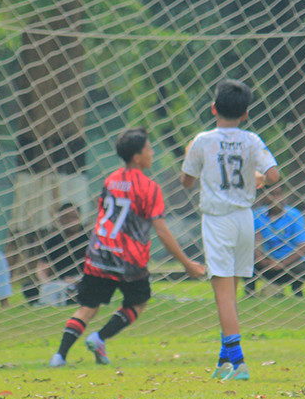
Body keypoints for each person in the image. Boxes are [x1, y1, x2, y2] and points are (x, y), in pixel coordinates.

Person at [49, 128, 205, 367]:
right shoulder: (149, 187)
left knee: (88, 307)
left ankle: (59, 356)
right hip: (129, 259)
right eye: (149, 149)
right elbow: (161, 230)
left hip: (99, 253)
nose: (152, 153)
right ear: (137, 157)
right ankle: (99, 338)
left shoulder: (111, 179)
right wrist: (187, 263)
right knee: (138, 302)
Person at [181, 79, 280, 381]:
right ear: (245, 113)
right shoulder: (251, 139)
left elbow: (186, 181)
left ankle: (238, 363)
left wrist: (193, 162)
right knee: (231, 292)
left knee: (223, 294)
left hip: (218, 220)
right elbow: (274, 175)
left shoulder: (202, 141)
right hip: (244, 219)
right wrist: (259, 177)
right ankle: (224, 361)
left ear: (213, 108)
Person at [247, 183, 305, 297]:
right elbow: (250, 242)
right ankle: (249, 293)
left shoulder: (294, 215)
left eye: (278, 194)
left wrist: (282, 263)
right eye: (271, 194)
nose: (275, 198)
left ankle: (297, 292)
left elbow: (303, 246)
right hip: (265, 262)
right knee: (244, 258)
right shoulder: (256, 215)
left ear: (284, 195)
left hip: (288, 263)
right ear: (265, 196)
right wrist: (261, 259)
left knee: (302, 265)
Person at [23, 202, 88, 306]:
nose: (71, 221)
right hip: (59, 282)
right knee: (29, 287)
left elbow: (97, 268)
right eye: (66, 218)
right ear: (60, 220)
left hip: (81, 280)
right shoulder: (54, 240)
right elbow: (41, 268)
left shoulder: (88, 239)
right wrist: (47, 282)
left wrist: (77, 280)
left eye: (74, 218)